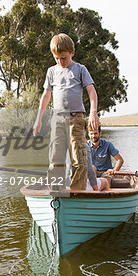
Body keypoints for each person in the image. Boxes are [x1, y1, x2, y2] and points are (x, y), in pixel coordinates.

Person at [33, 33, 99, 190]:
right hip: (57, 118)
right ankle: (55, 191)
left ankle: (77, 192)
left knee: (79, 158)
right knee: (56, 157)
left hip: (76, 118)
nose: (60, 61)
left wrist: (93, 113)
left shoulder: (80, 69)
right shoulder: (52, 72)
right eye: (56, 58)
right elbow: (46, 95)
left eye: (63, 58)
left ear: (72, 53)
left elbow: (91, 91)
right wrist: (38, 119)